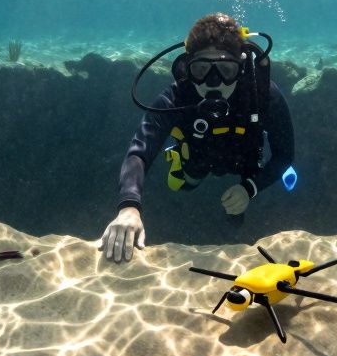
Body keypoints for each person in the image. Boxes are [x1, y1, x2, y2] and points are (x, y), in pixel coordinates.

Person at [100, 13, 296, 263]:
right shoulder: (177, 97)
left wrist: (249, 188)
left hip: (246, 161)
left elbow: (285, 155)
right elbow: (140, 149)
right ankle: (186, 169)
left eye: (225, 70)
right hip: (198, 156)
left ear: (242, 66)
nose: (213, 82)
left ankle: (237, 210)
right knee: (184, 183)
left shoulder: (263, 94)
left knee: (237, 207)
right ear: (187, 67)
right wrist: (129, 206)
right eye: (202, 70)